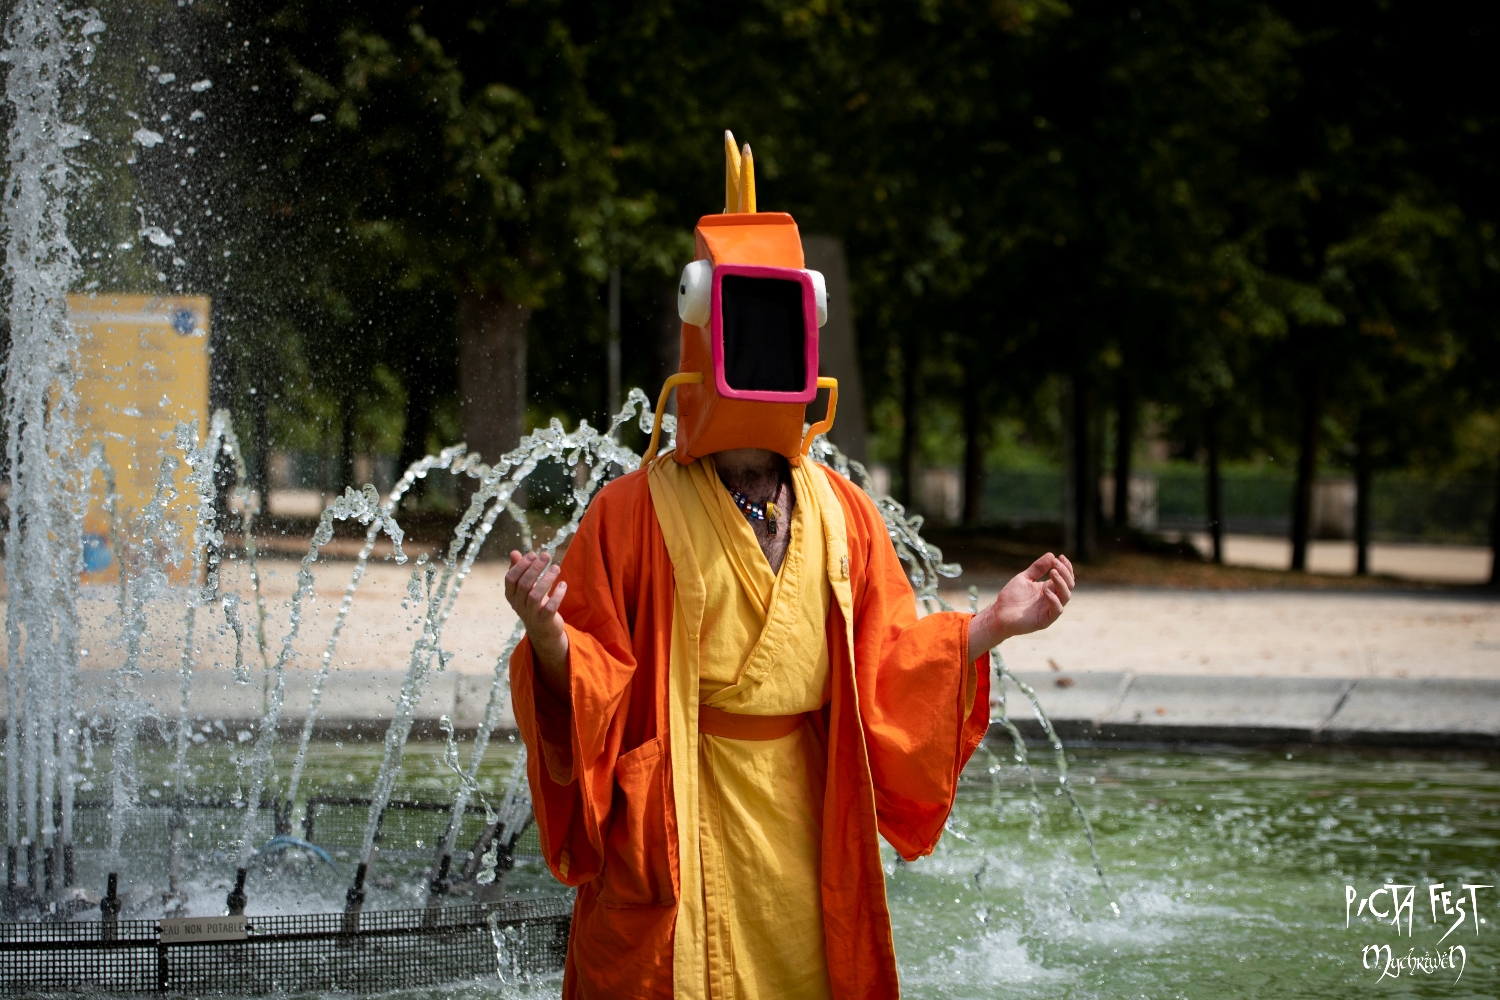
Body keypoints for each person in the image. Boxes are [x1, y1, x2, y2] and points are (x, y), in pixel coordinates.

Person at [506, 132, 1074, 1000]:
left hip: (807, 827)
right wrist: (548, 636)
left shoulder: (843, 512)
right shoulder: (629, 512)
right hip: (680, 824)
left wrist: (989, 625)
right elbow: (594, 682)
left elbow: (886, 672)